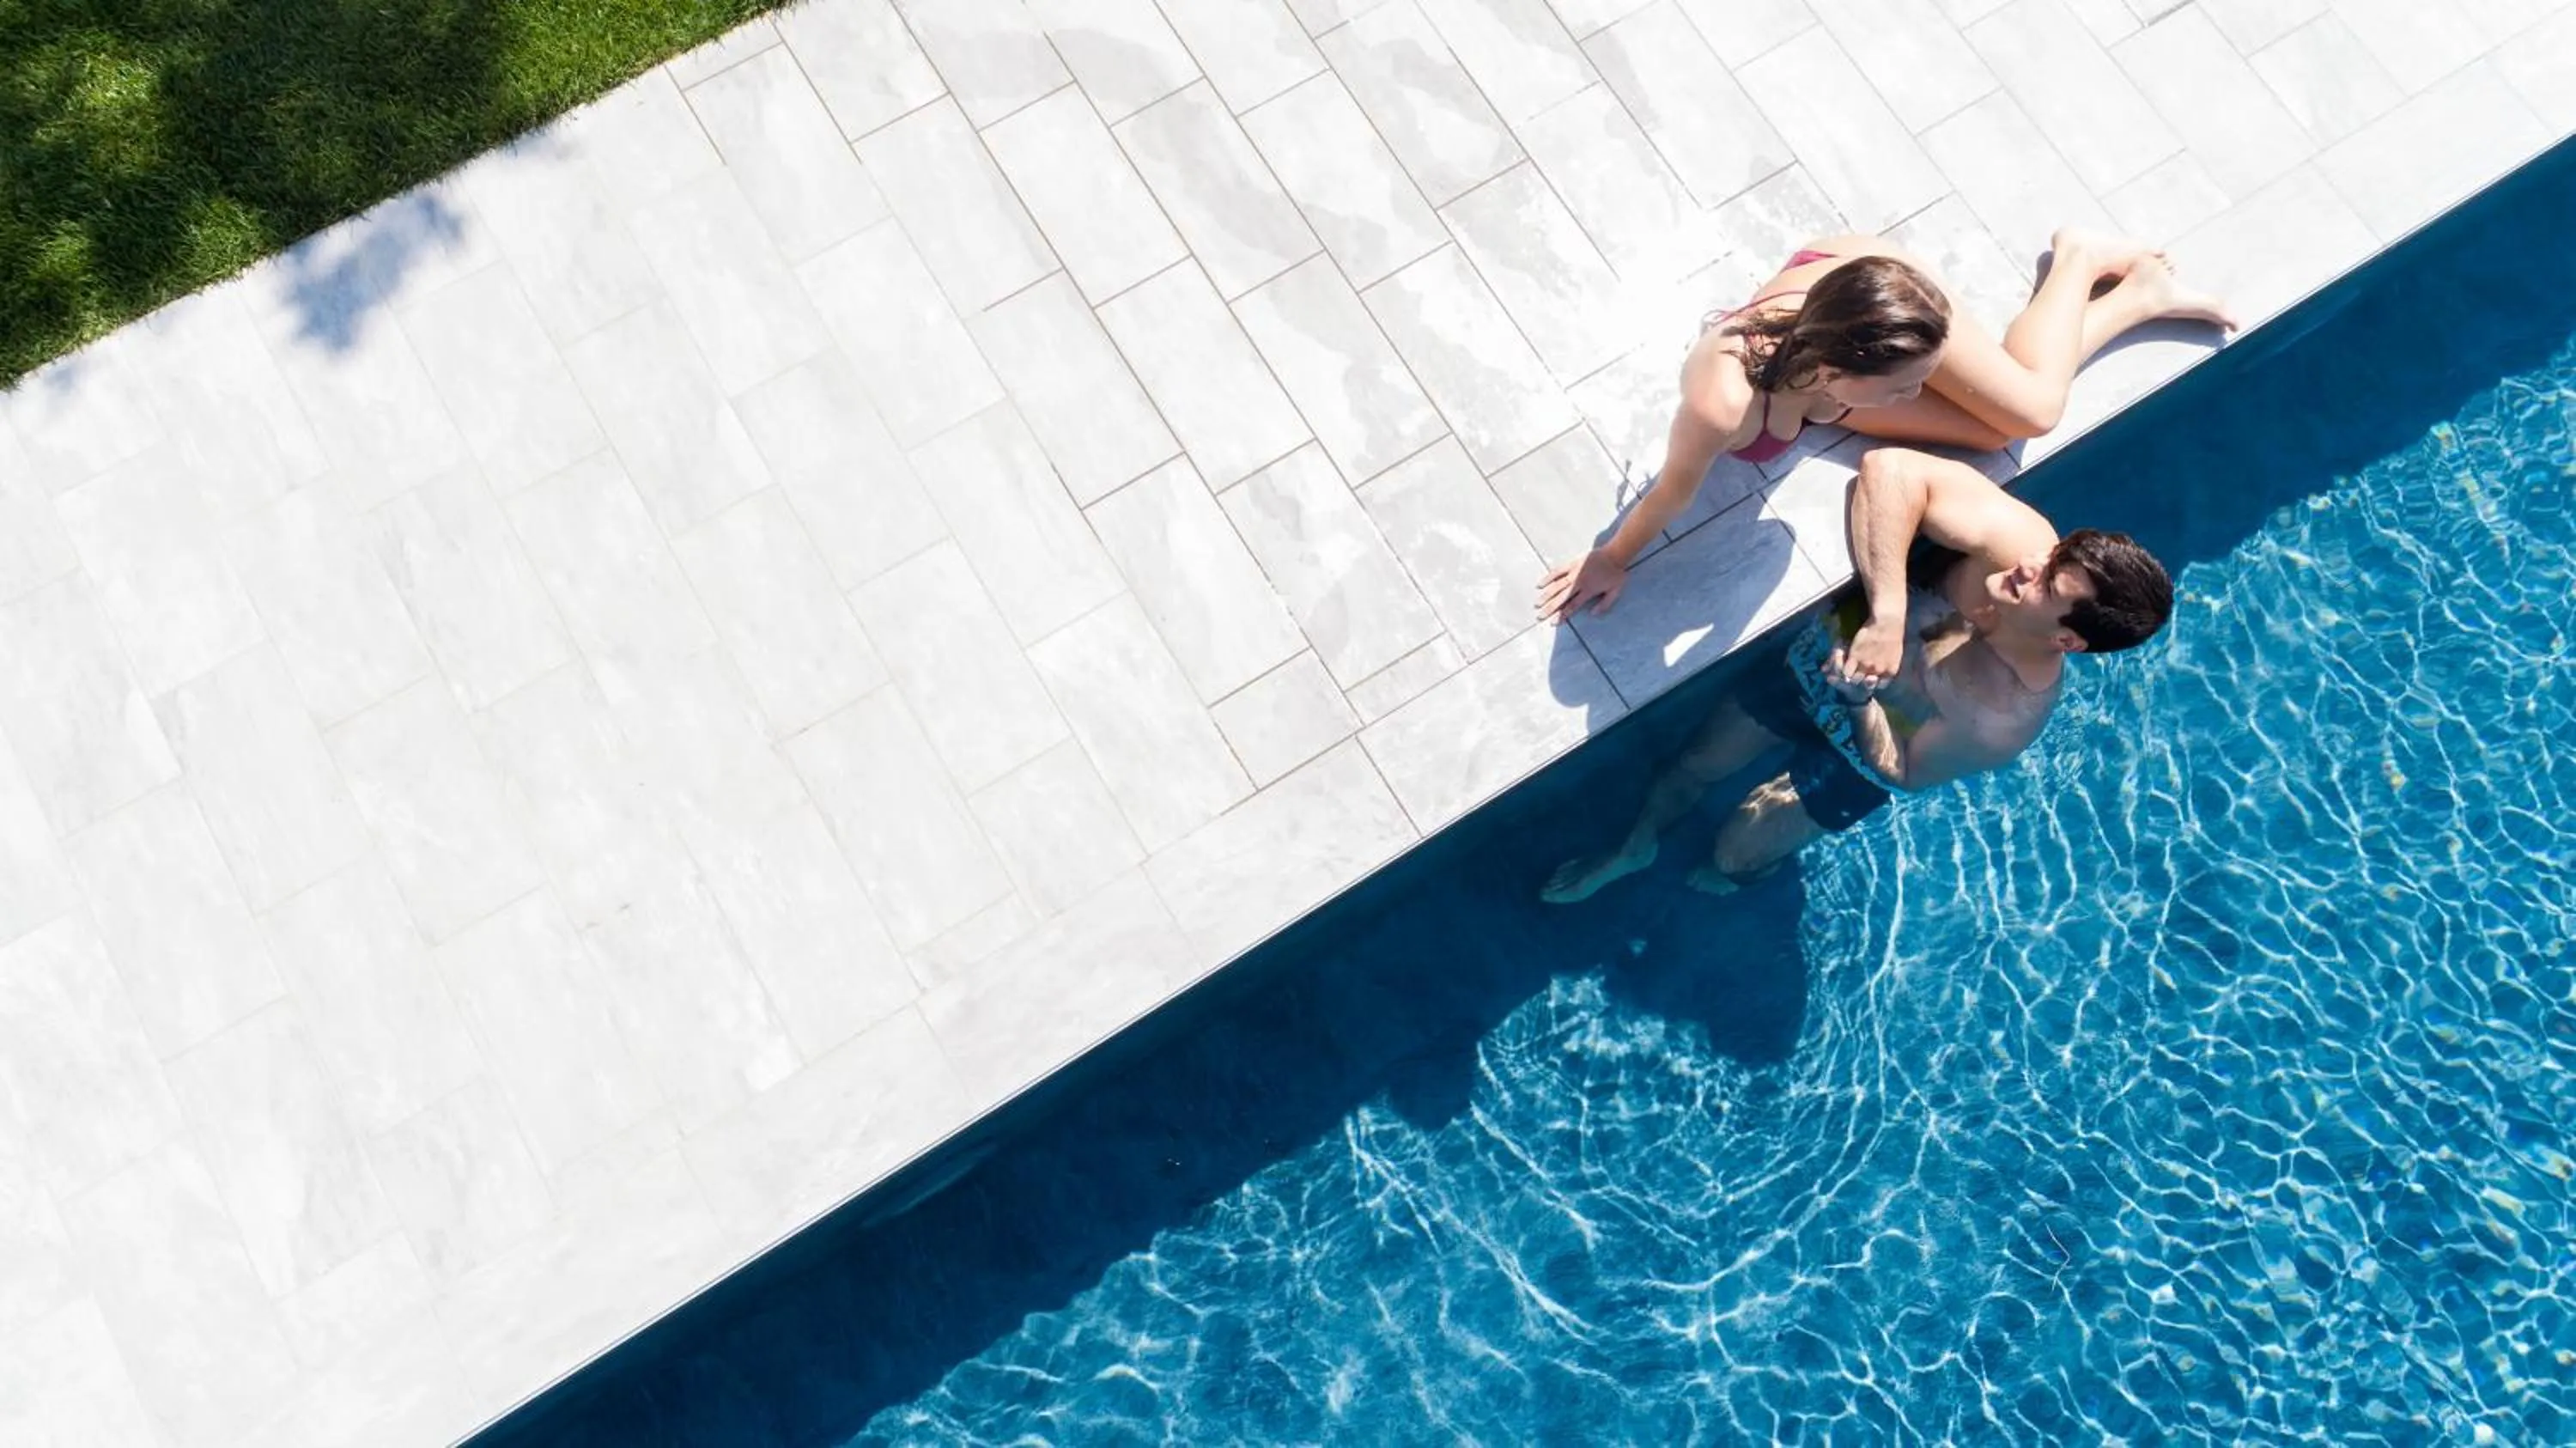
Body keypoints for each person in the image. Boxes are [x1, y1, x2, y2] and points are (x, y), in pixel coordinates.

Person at [1540, 446, 2174, 902]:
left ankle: (1742, 878)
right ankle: (1635, 847)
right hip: (1822, 665)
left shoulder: (2004, 717)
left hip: (1865, 738)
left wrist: (1858, 702)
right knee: (1694, 764)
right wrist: (1889, 615)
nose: (2032, 562)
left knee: (1735, 855)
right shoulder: (2013, 545)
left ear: (2067, 638)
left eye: (2049, 581)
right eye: (2054, 554)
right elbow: (1888, 471)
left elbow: (1904, 770)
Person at [1535, 228, 2232, 625]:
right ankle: (2115, 282)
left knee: (2031, 413)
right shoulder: (1725, 401)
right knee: (2004, 427)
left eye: (1924, 375)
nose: (1921, 394)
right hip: (1841, 317)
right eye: (1906, 385)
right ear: (1842, 370)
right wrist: (1613, 556)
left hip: (1886, 289)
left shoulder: (1875, 346)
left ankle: (2085, 269)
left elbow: (1903, 346)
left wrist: (1911, 365)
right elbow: (1671, 492)